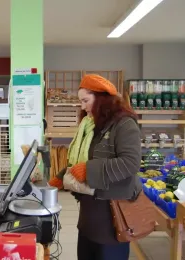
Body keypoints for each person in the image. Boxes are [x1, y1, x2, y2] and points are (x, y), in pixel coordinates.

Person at [49, 75, 142, 260]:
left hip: (112, 215)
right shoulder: (91, 125)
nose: (82, 107)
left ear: (102, 99)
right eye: (80, 101)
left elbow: (130, 163)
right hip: (89, 213)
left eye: (85, 101)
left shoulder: (124, 124)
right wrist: (61, 176)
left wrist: (89, 170)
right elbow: (81, 159)